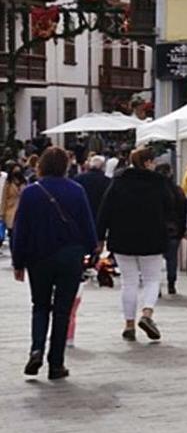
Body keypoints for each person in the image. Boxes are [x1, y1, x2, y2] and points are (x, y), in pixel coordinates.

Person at [11, 147, 98, 380]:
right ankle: (56, 363)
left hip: (38, 257)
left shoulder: (30, 193)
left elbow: (21, 230)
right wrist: (92, 253)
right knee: (62, 311)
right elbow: (88, 226)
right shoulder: (76, 190)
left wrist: (18, 261)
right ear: (65, 166)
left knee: (39, 305)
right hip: (70, 257)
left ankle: (36, 348)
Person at [97, 147, 173, 342]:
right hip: (152, 238)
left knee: (128, 283)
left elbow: (105, 209)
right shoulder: (159, 182)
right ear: (147, 162)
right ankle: (147, 315)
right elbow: (171, 207)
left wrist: (100, 237)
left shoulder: (119, 181)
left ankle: (129, 325)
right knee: (151, 280)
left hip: (123, 239)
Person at [156, 163, 187, 295]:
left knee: (155, 260)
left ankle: (156, 286)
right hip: (173, 230)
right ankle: (171, 284)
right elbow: (184, 211)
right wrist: (183, 228)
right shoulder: (177, 190)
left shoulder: (153, 191)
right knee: (172, 258)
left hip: (156, 230)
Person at [73, 155, 111, 223]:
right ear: (103, 167)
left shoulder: (78, 178)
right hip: (100, 215)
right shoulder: (108, 181)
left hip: (82, 214)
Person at [2, 162, 26, 247]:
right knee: (12, 235)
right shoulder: (8, 182)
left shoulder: (24, 181)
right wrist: (2, 213)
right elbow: (4, 197)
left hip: (22, 211)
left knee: (21, 234)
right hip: (10, 211)